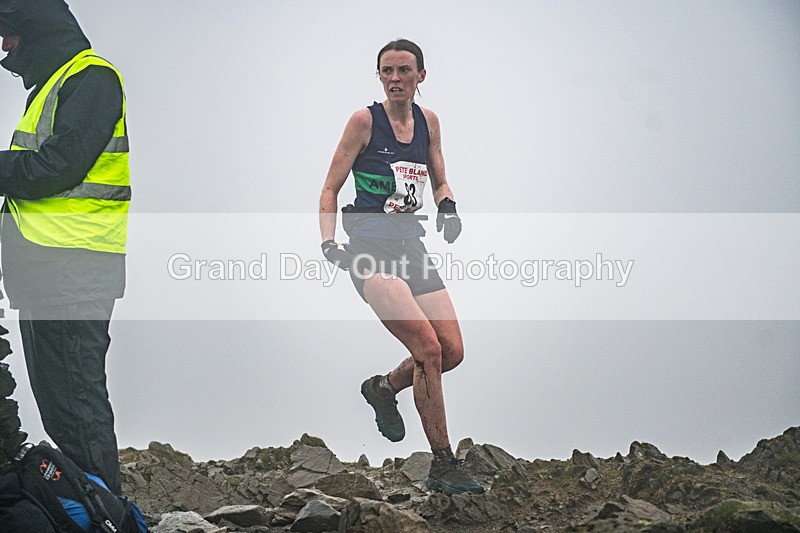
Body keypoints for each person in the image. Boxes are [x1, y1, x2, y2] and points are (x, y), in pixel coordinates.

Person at [319, 38, 483, 495]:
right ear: (379, 76)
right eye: (387, 71)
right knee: (427, 350)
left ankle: (385, 387)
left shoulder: (429, 123)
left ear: (420, 77)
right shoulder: (362, 122)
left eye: (404, 71)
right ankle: (443, 464)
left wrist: (447, 205)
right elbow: (329, 188)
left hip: (412, 246)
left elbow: (439, 177)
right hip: (369, 251)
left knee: (451, 350)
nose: (395, 79)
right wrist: (329, 243)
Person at [0, 0, 130, 495]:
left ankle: (110, 517)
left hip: (73, 272)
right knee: (62, 406)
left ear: (35, 29)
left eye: (9, 34)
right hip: (48, 271)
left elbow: (57, 167)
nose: (6, 48)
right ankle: (97, 511)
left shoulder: (92, 78)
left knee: (77, 407)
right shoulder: (56, 85)